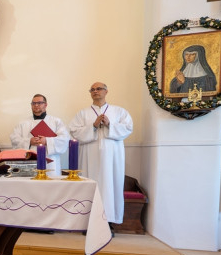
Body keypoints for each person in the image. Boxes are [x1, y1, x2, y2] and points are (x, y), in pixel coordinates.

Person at [68, 83, 133, 225]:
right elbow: (73, 131)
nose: (95, 91)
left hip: (112, 157)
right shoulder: (82, 113)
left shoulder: (119, 111)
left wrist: (110, 124)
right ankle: (88, 222)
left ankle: (108, 220)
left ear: (106, 91)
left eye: (98, 89)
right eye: (92, 89)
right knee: (89, 185)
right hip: (89, 156)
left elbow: (128, 128)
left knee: (110, 186)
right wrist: (93, 126)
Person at [9, 94, 69, 177]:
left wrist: (47, 141)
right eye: (33, 103)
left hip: (50, 163)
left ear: (45, 105)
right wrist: (29, 141)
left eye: (39, 103)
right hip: (28, 163)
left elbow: (64, 139)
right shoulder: (23, 123)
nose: (36, 105)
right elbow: (14, 139)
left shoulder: (56, 121)